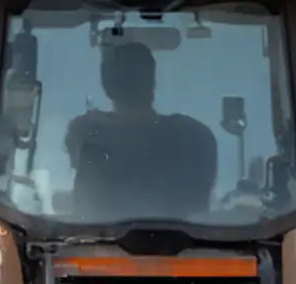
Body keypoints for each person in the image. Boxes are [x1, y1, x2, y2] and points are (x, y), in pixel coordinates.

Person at [65, 40, 217, 221]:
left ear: (108, 86)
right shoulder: (194, 137)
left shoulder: (88, 132)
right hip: (187, 247)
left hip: (92, 245)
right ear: (152, 84)